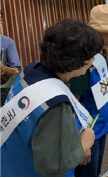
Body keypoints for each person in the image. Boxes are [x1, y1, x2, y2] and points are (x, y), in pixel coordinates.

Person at [1, 20, 98, 176]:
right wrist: (84, 144)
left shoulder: (30, 70)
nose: (94, 60)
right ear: (78, 61)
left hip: (11, 163)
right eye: (92, 56)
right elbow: (53, 166)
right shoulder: (56, 106)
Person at [70, 5, 108, 177]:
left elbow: (102, 86)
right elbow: (74, 102)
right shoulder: (81, 59)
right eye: (106, 32)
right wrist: (79, 143)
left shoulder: (101, 52)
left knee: (97, 172)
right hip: (85, 132)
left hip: (101, 125)